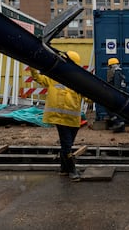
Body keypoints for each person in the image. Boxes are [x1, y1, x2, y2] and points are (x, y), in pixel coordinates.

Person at [30, 51, 88, 182]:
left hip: (73, 120)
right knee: (67, 144)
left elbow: (88, 98)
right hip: (59, 118)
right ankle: (72, 171)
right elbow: (39, 78)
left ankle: (63, 169)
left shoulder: (79, 81)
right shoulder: (54, 77)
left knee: (67, 144)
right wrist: (32, 67)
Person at [106, 57, 126, 133]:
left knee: (109, 108)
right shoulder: (119, 72)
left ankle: (118, 123)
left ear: (111, 66)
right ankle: (120, 125)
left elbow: (116, 86)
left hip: (116, 95)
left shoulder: (116, 73)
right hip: (121, 95)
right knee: (118, 110)